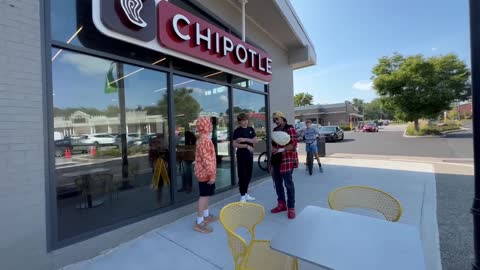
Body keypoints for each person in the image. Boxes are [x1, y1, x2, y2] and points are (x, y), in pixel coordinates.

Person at [270, 111, 299, 219]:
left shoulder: (289, 128)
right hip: (276, 161)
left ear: (282, 118)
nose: (275, 121)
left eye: (277, 119)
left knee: (288, 185)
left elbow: (294, 143)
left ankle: (291, 207)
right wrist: (273, 150)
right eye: (274, 120)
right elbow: (273, 146)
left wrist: (281, 149)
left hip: (286, 161)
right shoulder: (274, 130)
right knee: (277, 184)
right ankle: (281, 204)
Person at [193, 117, 218, 233]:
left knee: (206, 195)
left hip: (205, 172)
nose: (211, 126)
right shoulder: (204, 140)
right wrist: (212, 174)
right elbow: (207, 159)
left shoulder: (204, 139)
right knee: (204, 196)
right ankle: (199, 222)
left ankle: (206, 216)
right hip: (205, 173)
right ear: (206, 126)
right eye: (209, 124)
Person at [233, 113, 258, 202]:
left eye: (246, 120)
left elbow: (256, 140)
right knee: (242, 175)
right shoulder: (237, 131)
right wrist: (246, 146)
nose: (245, 122)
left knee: (248, 175)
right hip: (241, 156)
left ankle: (246, 194)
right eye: (243, 120)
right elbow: (234, 144)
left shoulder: (251, 129)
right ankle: (242, 195)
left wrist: (244, 140)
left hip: (249, 156)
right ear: (240, 121)